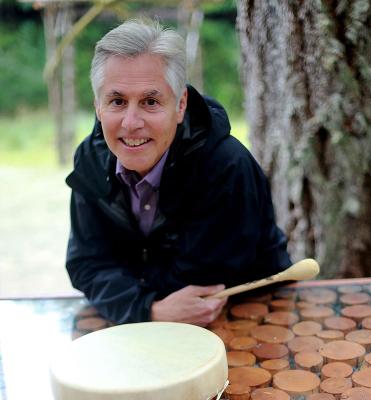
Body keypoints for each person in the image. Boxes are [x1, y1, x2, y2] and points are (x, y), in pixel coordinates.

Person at [66, 19, 291, 326]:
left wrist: (127, 292)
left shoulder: (227, 166)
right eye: (117, 101)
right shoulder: (90, 158)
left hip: (250, 313)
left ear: (181, 104)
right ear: (97, 106)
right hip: (147, 321)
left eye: (150, 101)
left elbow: (200, 284)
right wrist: (148, 310)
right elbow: (86, 263)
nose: (131, 122)